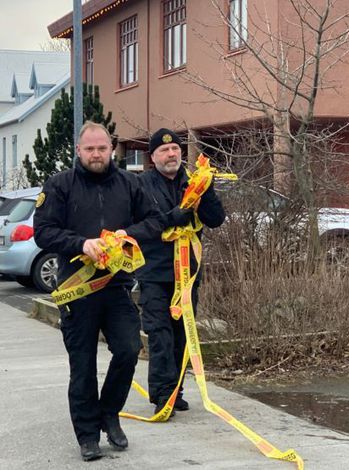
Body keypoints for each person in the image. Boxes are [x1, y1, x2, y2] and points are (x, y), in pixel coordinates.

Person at [34, 121, 163, 461]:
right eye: (89, 149)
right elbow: (44, 232)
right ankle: (88, 435)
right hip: (77, 291)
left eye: (102, 148)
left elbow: (154, 222)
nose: (96, 154)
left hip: (117, 287)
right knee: (83, 366)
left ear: (111, 149)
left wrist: (125, 236)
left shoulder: (129, 184)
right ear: (78, 150)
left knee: (128, 349)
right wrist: (81, 243)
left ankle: (110, 413)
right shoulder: (60, 185)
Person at [137, 128, 225, 416]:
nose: (171, 154)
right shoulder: (141, 186)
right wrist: (170, 219)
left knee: (181, 335)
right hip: (155, 275)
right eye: (164, 150)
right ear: (153, 157)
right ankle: (162, 396)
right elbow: (137, 226)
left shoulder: (194, 181)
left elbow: (215, 220)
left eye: (175, 148)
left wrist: (207, 191)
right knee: (159, 334)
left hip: (188, 276)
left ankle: (175, 390)